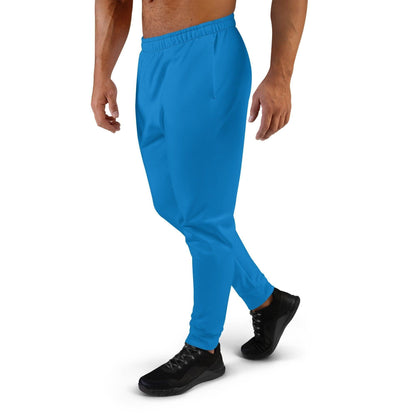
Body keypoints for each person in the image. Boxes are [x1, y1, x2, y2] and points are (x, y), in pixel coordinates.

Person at [91, 0, 307, 396]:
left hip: (208, 54)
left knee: (206, 216)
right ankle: (267, 301)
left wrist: (280, 74)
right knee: (172, 203)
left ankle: (205, 346)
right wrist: (101, 72)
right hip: (152, 59)